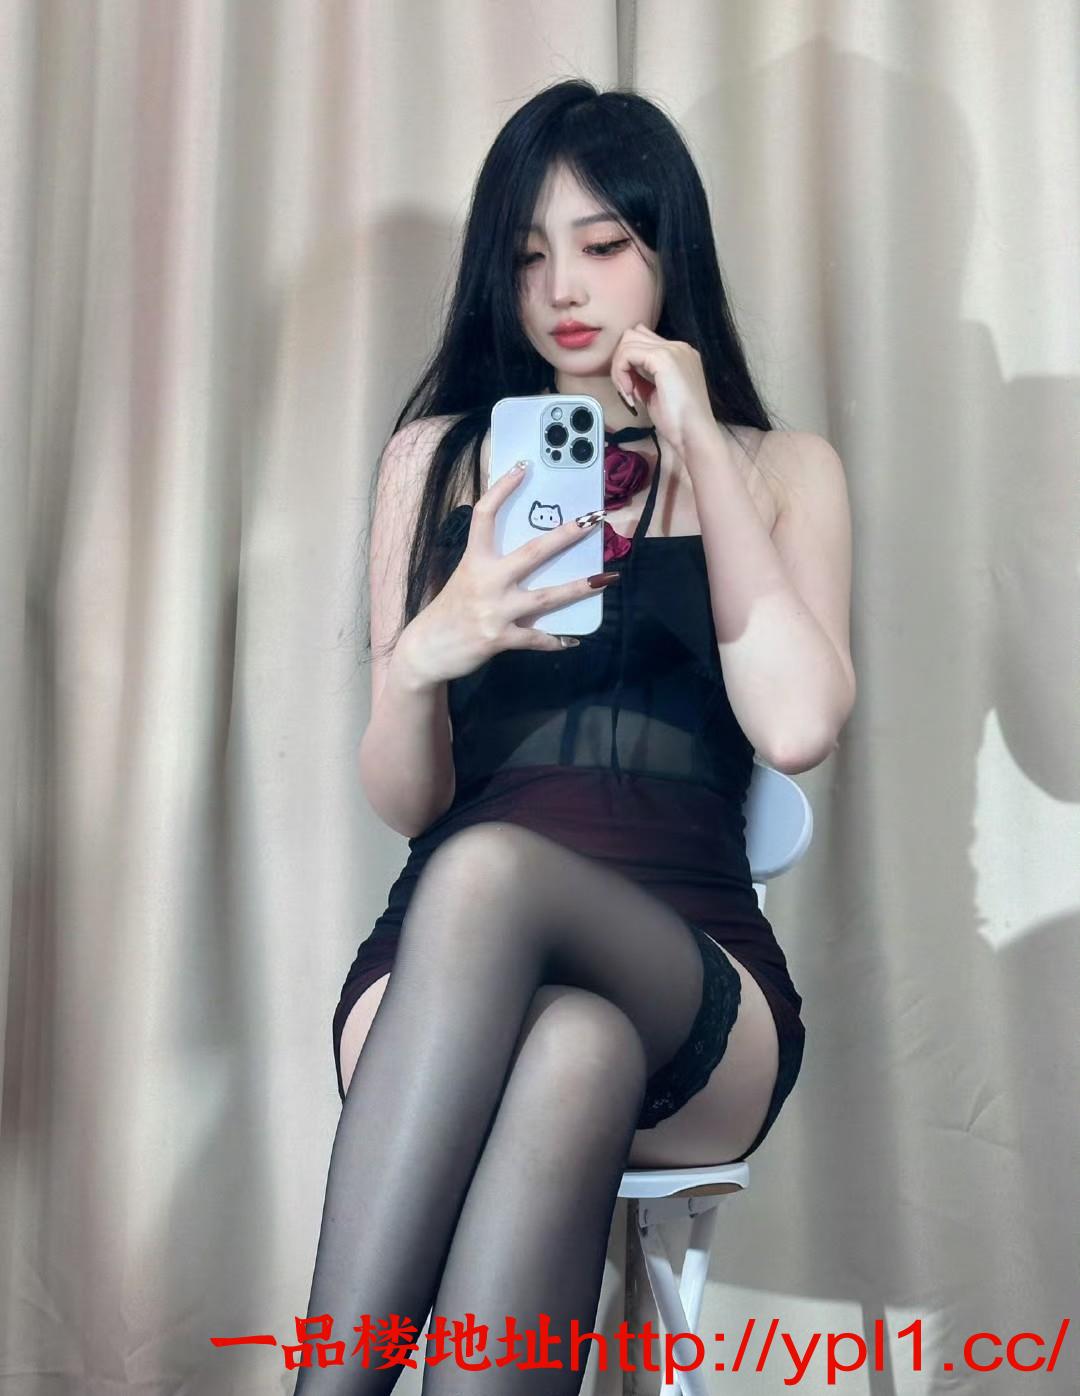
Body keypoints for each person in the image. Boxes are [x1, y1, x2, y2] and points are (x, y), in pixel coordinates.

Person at [295, 79, 855, 1395]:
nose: (562, 288)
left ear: (668, 250)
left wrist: (699, 440)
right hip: (439, 978)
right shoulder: (436, 462)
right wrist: (422, 659)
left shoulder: (783, 469)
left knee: (492, 872)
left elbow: (795, 724)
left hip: (697, 980)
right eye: (527, 254)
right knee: (569, 1045)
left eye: (603, 245)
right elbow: (408, 800)